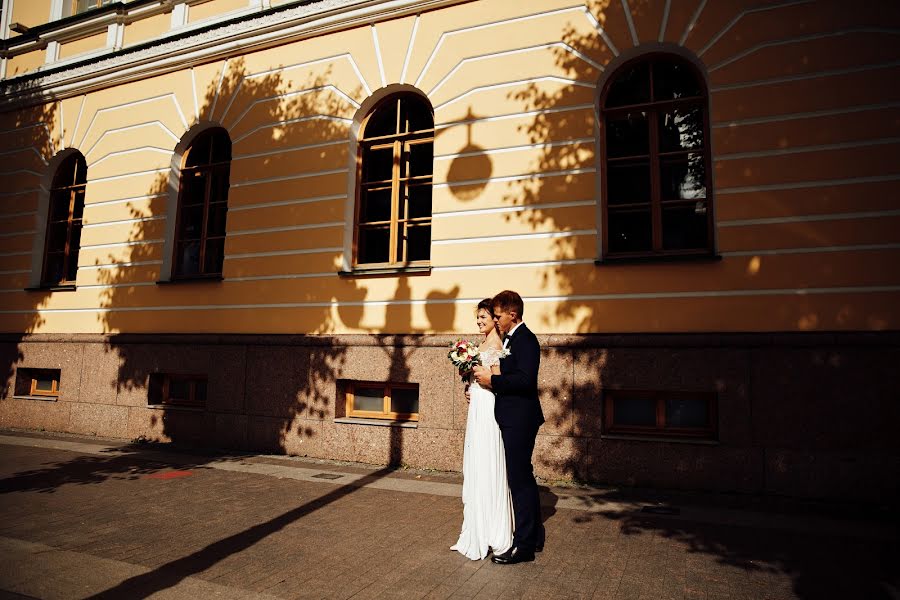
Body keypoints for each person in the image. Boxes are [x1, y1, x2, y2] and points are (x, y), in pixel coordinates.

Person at [473, 290, 544, 565]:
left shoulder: (526, 340)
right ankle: (534, 535)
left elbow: (526, 381)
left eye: (499, 315)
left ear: (512, 314)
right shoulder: (512, 339)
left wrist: (492, 381)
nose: (496, 320)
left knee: (519, 480)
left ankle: (523, 546)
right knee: (523, 476)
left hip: (520, 419)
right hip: (512, 416)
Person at [451, 299, 514, 560]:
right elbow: (479, 378)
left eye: (484, 318)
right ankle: (474, 529)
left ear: (494, 320)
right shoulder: (482, 344)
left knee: (487, 463)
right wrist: (470, 387)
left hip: (488, 408)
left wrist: (481, 384)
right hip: (477, 405)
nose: (479, 322)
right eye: (478, 318)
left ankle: (492, 532)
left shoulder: (495, 345)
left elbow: (497, 380)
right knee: (476, 464)